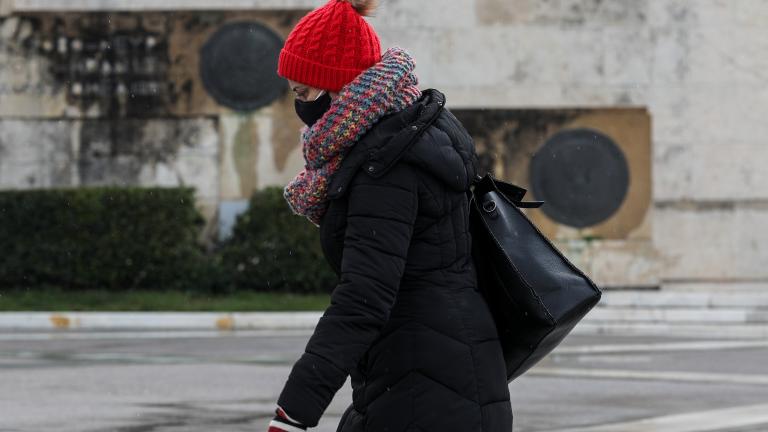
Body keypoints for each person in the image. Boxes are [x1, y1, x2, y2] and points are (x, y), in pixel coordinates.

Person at [268, 1, 512, 431]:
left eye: (303, 93)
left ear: (338, 86)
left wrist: (294, 411)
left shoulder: (387, 166)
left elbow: (364, 297)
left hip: (425, 390)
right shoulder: (410, 132)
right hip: (436, 374)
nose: (300, 110)